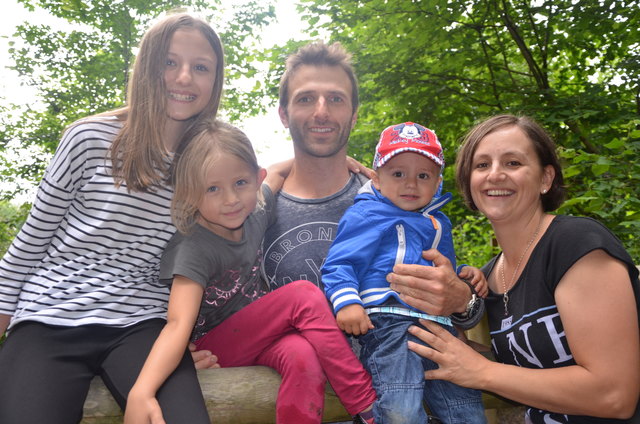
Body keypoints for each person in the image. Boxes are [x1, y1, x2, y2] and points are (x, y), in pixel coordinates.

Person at [0, 13, 224, 424]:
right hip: (52, 316)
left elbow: (249, 191)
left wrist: (340, 167)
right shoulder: (88, 139)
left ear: (214, 80)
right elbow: (30, 243)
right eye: (169, 63)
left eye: (201, 67)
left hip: (143, 324)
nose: (184, 78)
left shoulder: (209, 162)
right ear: (147, 68)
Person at [127, 118, 377, 424]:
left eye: (240, 183)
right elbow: (178, 323)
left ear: (256, 179)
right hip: (214, 348)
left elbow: (280, 171)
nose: (231, 199)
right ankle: (365, 403)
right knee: (303, 296)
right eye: (212, 188)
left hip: (264, 339)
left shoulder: (255, 214)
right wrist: (145, 389)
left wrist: (341, 163)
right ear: (190, 193)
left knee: (303, 356)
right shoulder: (193, 248)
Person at [403, 114, 640, 423]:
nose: (495, 175)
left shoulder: (575, 243)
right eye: (482, 165)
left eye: (513, 163)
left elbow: (614, 396)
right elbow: (521, 371)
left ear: (545, 179)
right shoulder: (487, 276)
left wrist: (482, 371)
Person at [261, 42, 481, 328]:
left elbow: (449, 293)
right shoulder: (254, 206)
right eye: (305, 99)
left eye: (336, 99)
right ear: (284, 114)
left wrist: (466, 302)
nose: (321, 111)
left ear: (353, 116)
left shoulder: (398, 197)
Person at [321, 122, 487, 424]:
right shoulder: (366, 214)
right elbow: (339, 264)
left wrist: (463, 276)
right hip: (388, 324)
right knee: (402, 408)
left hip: (437, 326)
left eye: (423, 175)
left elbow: (442, 270)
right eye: (398, 173)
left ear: (437, 182)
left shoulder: (438, 223)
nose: (411, 184)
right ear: (377, 179)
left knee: (464, 405)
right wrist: (347, 302)